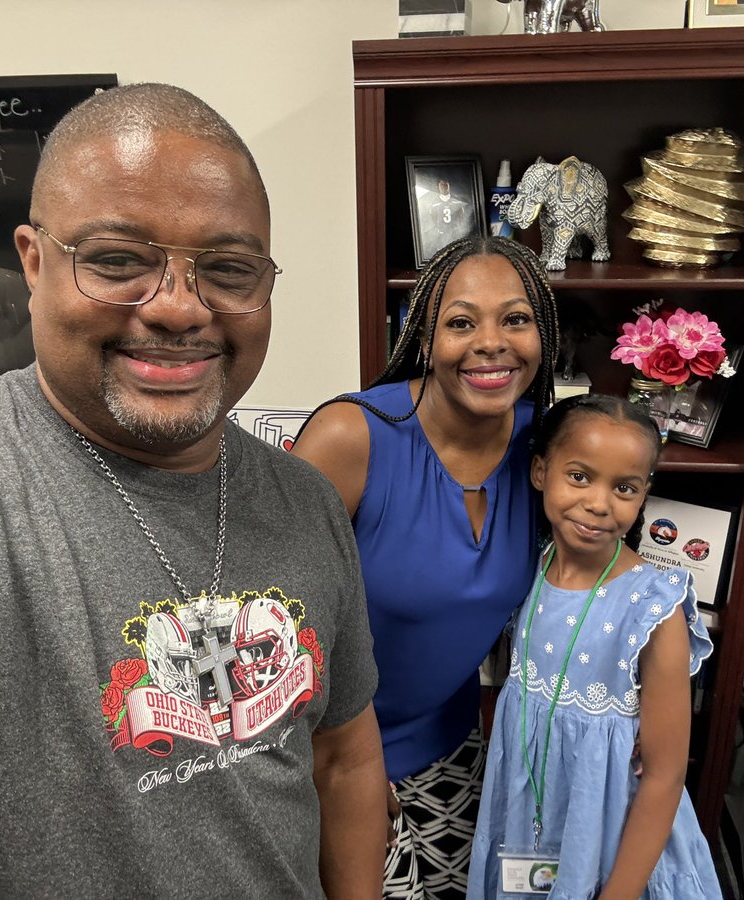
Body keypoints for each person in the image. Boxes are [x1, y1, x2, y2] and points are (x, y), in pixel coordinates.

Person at [0, 83, 385, 898]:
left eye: (229, 269)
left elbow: (344, 758)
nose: (177, 308)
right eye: (118, 261)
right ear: (33, 262)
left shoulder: (307, 502)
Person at [291, 235, 561, 899]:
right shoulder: (350, 439)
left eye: (517, 319)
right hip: (333, 753)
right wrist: (341, 763)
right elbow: (272, 621)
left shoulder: (545, 444)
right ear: (423, 336)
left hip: (451, 744)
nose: (491, 342)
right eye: (461, 322)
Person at [466, 395, 723, 899]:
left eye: (624, 487)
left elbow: (665, 777)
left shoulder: (654, 607)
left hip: (615, 843)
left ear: (645, 492)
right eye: (579, 476)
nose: (599, 503)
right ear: (541, 471)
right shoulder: (529, 569)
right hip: (530, 819)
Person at [424, 178, 472, 256]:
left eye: (446, 184)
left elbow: (462, 217)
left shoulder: (457, 200)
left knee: (456, 254)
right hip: (441, 234)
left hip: (454, 233)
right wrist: (438, 229)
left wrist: (458, 228)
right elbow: (433, 219)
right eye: (441, 185)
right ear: (438, 187)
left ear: (449, 185)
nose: (444, 187)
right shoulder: (434, 203)